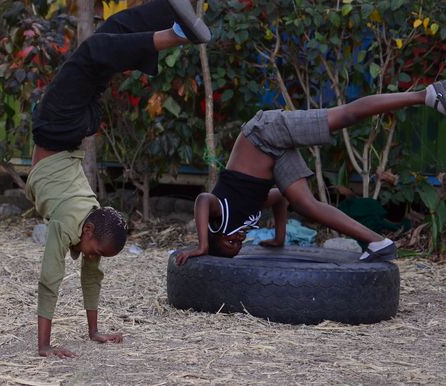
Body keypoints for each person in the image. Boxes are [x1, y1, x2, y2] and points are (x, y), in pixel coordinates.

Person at [27, 0, 212, 358]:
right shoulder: (85, 225)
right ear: (92, 230)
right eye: (96, 251)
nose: (91, 258)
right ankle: (171, 15)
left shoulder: (76, 227)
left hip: (61, 130)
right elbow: (63, 281)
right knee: (100, 46)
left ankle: (175, 31)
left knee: (97, 52)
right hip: (64, 131)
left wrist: (63, 340)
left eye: (95, 253)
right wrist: (61, 341)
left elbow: (63, 279)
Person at [174, 80, 446, 266]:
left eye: (231, 242)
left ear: (218, 235)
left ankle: (427, 95)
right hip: (274, 153)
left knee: (345, 117)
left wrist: (201, 247)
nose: (239, 241)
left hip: (264, 133)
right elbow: (280, 197)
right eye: (239, 247)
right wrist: (279, 237)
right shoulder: (249, 210)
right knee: (306, 205)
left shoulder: (219, 215)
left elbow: (202, 200)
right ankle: (378, 243)